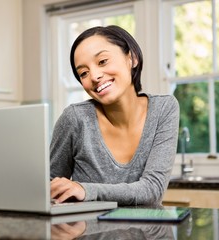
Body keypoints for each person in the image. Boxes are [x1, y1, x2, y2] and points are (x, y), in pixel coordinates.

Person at [50, 25, 179, 206]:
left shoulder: (164, 108)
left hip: (146, 233)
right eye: (83, 73)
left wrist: (85, 190)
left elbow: (152, 190)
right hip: (87, 233)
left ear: (132, 58)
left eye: (102, 61)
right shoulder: (74, 118)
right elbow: (49, 187)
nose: (94, 76)